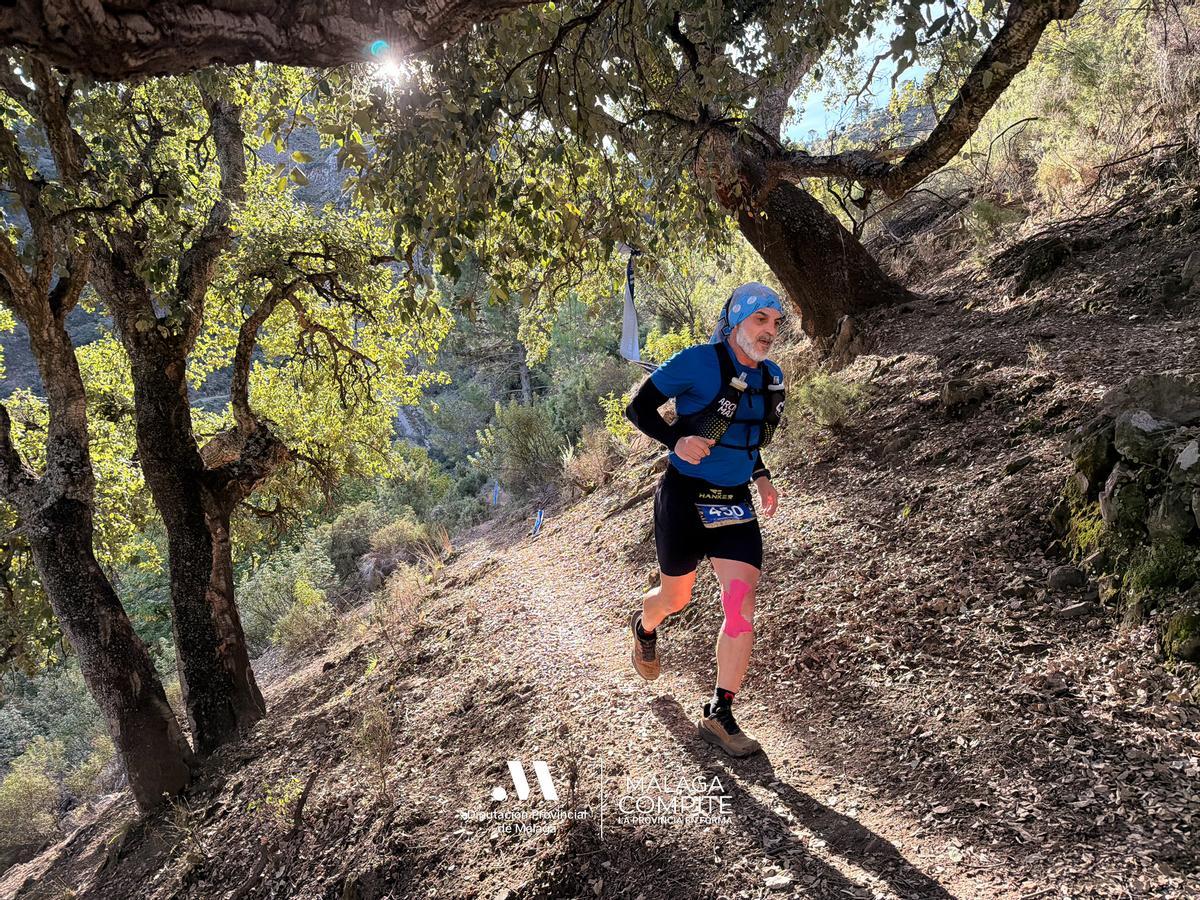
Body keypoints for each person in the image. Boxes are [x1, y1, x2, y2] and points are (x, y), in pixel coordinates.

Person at [624, 282, 786, 758]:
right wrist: (675, 439)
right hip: (684, 496)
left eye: (776, 323)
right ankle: (644, 628)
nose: (770, 331)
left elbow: (744, 436)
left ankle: (720, 712)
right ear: (736, 320)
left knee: (740, 605)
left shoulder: (770, 378)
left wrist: (762, 477)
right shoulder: (698, 361)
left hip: (733, 501)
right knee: (676, 597)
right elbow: (639, 407)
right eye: (761, 320)